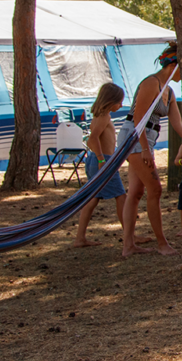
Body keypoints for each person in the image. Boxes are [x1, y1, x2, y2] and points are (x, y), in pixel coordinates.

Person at [117, 43, 182, 257]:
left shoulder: (170, 92)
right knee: (155, 189)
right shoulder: (151, 83)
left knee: (136, 192)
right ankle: (162, 243)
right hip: (135, 138)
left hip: (147, 139)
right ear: (173, 65)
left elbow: (179, 126)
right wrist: (145, 149)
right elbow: (138, 117)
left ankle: (128, 245)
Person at [74, 82, 127, 248]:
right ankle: (129, 235)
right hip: (103, 161)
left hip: (97, 159)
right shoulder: (104, 117)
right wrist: (101, 159)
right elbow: (92, 139)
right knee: (121, 196)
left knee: (93, 198)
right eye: (119, 102)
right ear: (110, 101)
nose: (121, 105)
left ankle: (80, 238)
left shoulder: (101, 116)